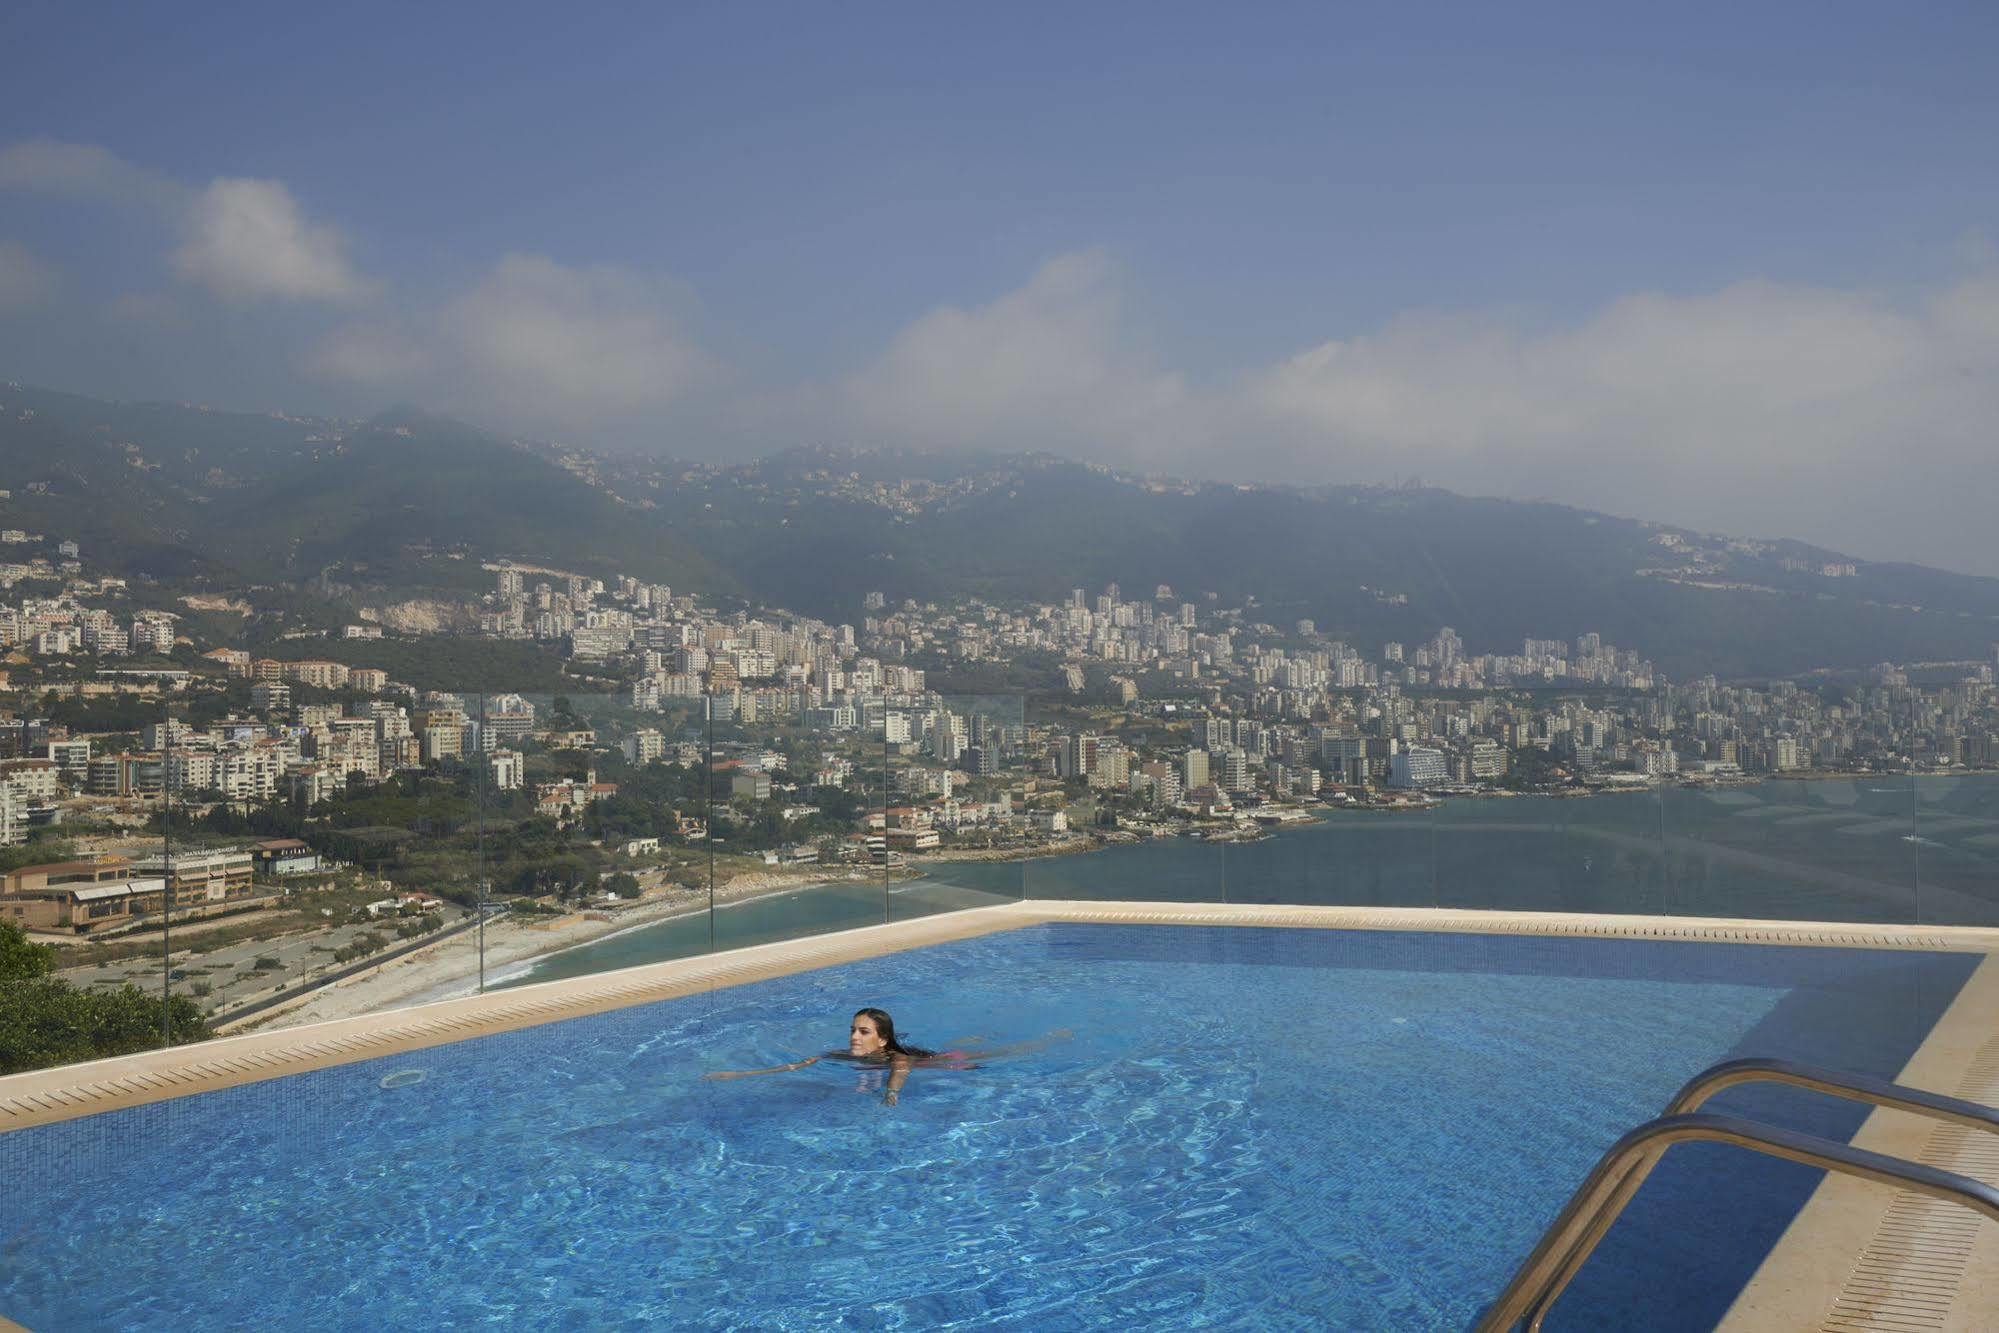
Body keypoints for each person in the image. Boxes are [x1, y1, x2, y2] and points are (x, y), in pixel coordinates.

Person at [703, 1007, 962, 1105]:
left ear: (882, 1039)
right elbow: (796, 1066)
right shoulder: (842, 1054)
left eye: (863, 1032)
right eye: (852, 1031)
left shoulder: (895, 1058)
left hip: (945, 1062)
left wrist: (891, 1095)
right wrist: (738, 1074)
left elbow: (901, 1070)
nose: (854, 1037)